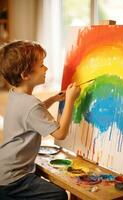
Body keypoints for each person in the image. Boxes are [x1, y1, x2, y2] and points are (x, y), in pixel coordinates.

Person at [0, 40, 81, 200]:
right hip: (13, 179)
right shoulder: (31, 104)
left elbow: (28, 114)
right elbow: (60, 133)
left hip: (5, 168)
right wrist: (70, 100)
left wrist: (52, 99)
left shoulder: (16, 95)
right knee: (58, 195)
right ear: (25, 75)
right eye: (41, 65)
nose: (46, 69)